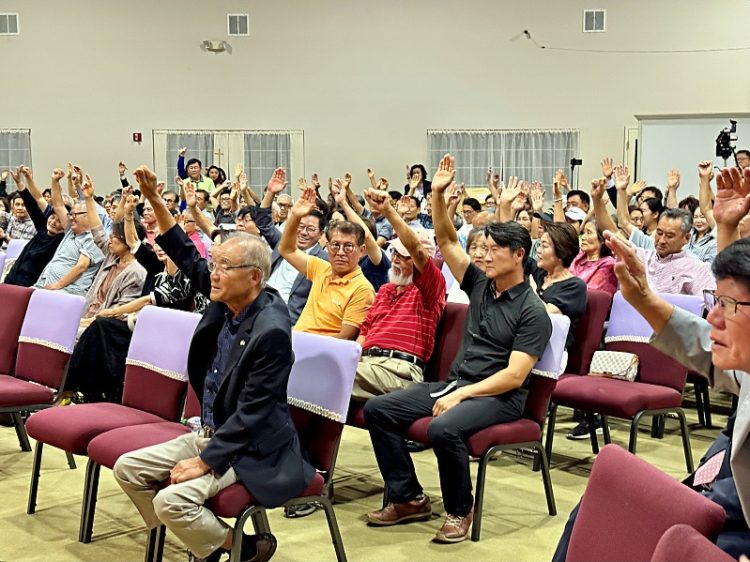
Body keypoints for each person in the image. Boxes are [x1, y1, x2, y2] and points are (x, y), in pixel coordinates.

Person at [114, 165, 314, 562]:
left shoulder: (271, 330)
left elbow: (254, 412)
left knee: (172, 502)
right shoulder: (231, 294)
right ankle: (223, 545)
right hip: (209, 429)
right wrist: (154, 197)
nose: (213, 274)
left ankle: (234, 547)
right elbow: (186, 254)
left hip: (251, 445)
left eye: (224, 266)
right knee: (127, 468)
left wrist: (206, 461)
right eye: (215, 264)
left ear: (254, 277)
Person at [551, 175, 750, 560]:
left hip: (736, 525)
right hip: (719, 494)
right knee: (596, 505)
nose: (714, 319)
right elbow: (708, 344)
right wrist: (642, 296)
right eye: (716, 304)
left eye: (727, 308)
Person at [364, 154, 551, 544]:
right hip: (458, 383)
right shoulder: (482, 284)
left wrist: (463, 393)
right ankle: (409, 497)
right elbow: (446, 239)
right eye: (483, 249)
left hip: (500, 395)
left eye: (494, 250)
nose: (483, 256)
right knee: (378, 410)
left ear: (519, 255)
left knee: (444, 428)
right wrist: (435, 193)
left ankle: (460, 510)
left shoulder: (532, 311)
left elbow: (515, 376)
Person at [351, 188, 446, 401]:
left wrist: (389, 212)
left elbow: (417, 250)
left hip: (401, 371)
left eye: (404, 257)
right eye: (395, 253)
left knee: (329, 375)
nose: (395, 259)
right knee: (312, 370)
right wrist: (349, 358)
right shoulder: (385, 290)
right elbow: (365, 331)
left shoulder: (430, 290)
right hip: (367, 365)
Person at [594, 176, 716, 296]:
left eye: (670, 236)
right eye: (659, 233)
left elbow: (706, 306)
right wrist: (597, 199)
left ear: (686, 238)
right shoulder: (642, 256)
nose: (661, 240)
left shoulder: (696, 266)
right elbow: (612, 232)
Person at [256, 168, 329, 323]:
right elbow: (263, 223)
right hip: (258, 305)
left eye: (310, 229)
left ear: (321, 234)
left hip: (287, 319)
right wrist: (270, 192)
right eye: (300, 227)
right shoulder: (283, 243)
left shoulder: (324, 261)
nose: (303, 233)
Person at [77, 177, 147, 334]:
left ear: (126, 241)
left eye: (114, 237)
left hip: (102, 327)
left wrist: (83, 323)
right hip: (86, 316)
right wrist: (88, 198)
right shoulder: (113, 256)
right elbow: (97, 231)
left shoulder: (136, 272)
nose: (109, 239)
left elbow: (119, 313)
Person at [34, 186, 105, 296]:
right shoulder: (70, 231)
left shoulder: (94, 239)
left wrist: (58, 285)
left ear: (88, 216)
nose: (71, 218)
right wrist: (55, 181)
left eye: (74, 214)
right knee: (17, 296)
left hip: (68, 291)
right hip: (46, 285)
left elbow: (81, 266)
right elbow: (58, 205)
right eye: (70, 214)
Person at [3, 169, 67, 287]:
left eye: (59, 221)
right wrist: (20, 183)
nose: (53, 222)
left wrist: (55, 181)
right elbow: (33, 203)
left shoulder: (61, 239)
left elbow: (58, 206)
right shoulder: (43, 227)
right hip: (11, 277)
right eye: (52, 217)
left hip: (27, 285)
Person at [569, 221, 617, 296]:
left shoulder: (608, 265)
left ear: (602, 240)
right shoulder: (579, 257)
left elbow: (588, 294)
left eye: (589, 232)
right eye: (583, 233)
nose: (583, 237)